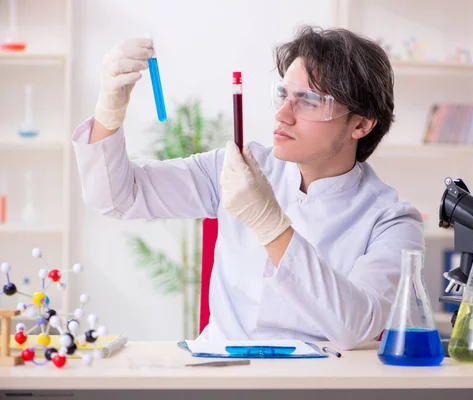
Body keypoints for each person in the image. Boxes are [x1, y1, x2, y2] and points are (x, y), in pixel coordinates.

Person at [72, 25, 424, 350]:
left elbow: (356, 326)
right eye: (284, 94)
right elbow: (117, 197)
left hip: (317, 382)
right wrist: (109, 112)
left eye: (309, 101)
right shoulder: (241, 166)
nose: (283, 114)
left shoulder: (392, 220)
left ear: (360, 124)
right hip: (221, 371)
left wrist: (270, 225)